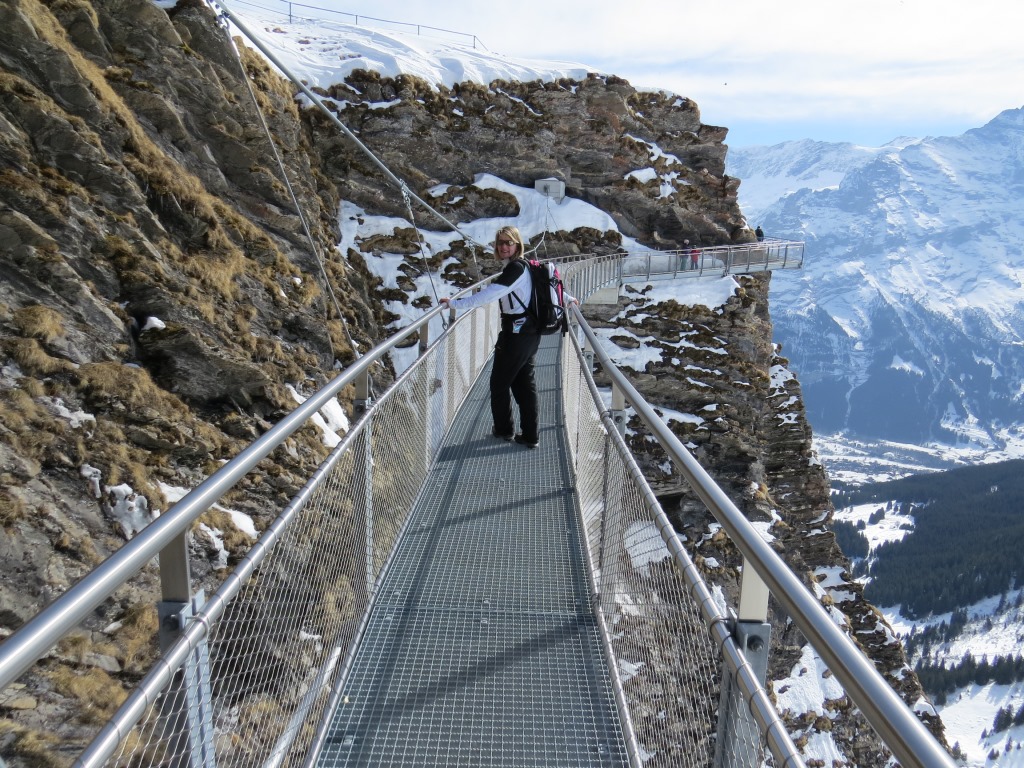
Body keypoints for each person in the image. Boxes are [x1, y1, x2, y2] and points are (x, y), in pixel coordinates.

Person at [439, 226, 575, 449]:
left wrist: (455, 304)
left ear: (517, 245)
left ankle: (504, 430)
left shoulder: (514, 269)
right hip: (531, 334)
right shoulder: (528, 265)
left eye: (508, 242)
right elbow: (541, 288)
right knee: (524, 385)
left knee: (499, 384)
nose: (503, 247)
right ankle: (530, 435)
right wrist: (567, 298)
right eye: (500, 242)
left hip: (515, 335)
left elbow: (489, 295)